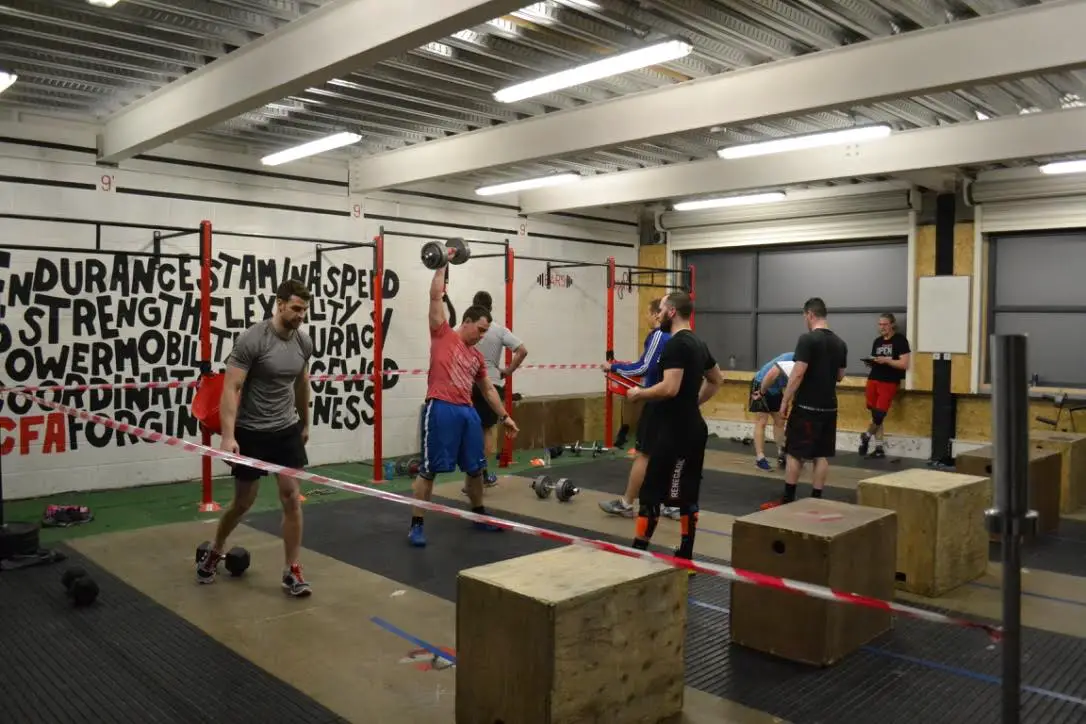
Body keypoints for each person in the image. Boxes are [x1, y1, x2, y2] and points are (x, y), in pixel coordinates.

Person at [196, 279, 315, 597]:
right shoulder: (252, 339)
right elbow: (231, 388)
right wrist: (228, 436)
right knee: (243, 502)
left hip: (285, 429)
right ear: (279, 304)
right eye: (295, 308)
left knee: (291, 498)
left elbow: (302, 384)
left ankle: (292, 569)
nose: (301, 315)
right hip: (253, 431)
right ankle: (216, 549)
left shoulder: (303, 343)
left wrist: (305, 423)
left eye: (305, 309)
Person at [409, 264, 519, 547]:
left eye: (485, 333)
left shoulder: (477, 358)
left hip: (467, 412)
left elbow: (488, 390)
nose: (481, 337)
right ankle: (417, 524)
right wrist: (442, 265)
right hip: (441, 408)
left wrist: (504, 415)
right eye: (480, 330)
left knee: (476, 468)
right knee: (429, 469)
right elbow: (435, 297)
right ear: (467, 321)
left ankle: (479, 515)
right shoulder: (442, 334)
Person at [626, 292, 723, 561]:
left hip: (673, 431)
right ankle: (686, 556)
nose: (658, 315)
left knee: (651, 492)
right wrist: (692, 402)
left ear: (671, 312)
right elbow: (717, 380)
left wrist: (639, 394)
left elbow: (669, 388)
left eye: (662, 310)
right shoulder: (698, 344)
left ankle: (637, 552)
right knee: (686, 493)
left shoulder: (675, 345)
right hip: (692, 428)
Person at [599, 298, 679, 520]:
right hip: (675, 405)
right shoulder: (681, 339)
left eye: (649, 312)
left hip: (657, 402)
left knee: (644, 455)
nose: (646, 317)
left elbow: (643, 367)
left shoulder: (658, 336)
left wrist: (613, 366)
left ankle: (626, 504)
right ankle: (671, 504)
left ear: (657, 315)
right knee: (670, 454)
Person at [763, 297, 848, 509]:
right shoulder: (840, 343)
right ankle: (816, 499)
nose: (805, 320)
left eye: (804, 316)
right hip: (830, 407)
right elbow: (840, 376)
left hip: (807, 407)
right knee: (821, 455)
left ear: (810, 314)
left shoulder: (807, 340)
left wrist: (785, 400)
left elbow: (798, 373)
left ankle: (788, 498)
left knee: (795, 453)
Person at [469, 290, 527, 487]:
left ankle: (473, 475)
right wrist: (508, 371)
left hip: (468, 384)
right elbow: (522, 350)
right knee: (486, 430)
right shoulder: (499, 330)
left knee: (471, 429)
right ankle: (482, 474)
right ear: (491, 308)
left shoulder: (464, 327)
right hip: (491, 383)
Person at [859, 313, 911, 459]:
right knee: (875, 414)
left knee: (880, 414)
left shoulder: (900, 340)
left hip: (888, 381)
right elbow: (876, 359)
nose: (882, 327)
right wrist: (872, 361)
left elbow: (904, 364)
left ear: (892, 324)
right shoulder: (877, 341)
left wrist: (887, 360)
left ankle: (867, 435)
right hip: (873, 379)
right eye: (880, 324)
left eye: (885, 324)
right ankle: (879, 448)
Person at [748, 352, 793, 471]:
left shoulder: (806, 365)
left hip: (775, 389)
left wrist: (785, 401)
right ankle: (760, 459)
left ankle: (782, 453)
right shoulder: (791, 359)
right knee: (762, 421)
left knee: (780, 420)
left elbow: (794, 384)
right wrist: (761, 393)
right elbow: (771, 375)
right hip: (761, 383)